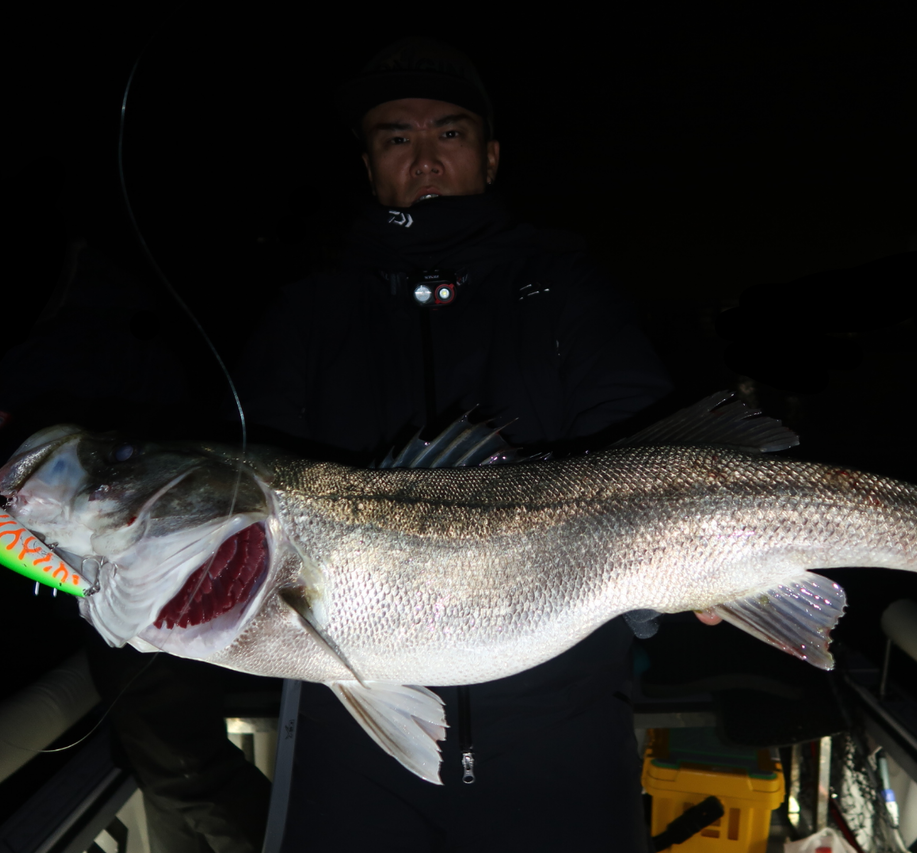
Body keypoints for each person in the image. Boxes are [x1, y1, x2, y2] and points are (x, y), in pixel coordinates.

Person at [235, 37, 674, 852]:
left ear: (491, 156)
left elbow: (645, 435)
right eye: (397, 137)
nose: (426, 158)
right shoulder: (308, 310)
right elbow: (248, 489)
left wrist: (683, 565)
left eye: (450, 132)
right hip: (349, 725)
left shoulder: (565, 287)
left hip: (564, 719)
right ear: (369, 166)